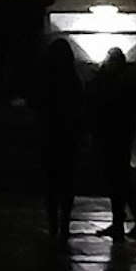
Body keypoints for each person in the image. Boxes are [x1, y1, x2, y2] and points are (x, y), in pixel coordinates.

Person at [85, 48, 136, 241]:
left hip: (114, 135)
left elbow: (100, 102)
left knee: (118, 179)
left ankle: (127, 221)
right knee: (119, 179)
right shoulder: (127, 81)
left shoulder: (115, 82)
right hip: (118, 134)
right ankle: (128, 220)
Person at [29, 31, 83, 244]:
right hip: (68, 136)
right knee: (67, 182)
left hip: (49, 134)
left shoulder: (44, 77)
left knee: (50, 183)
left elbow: (36, 101)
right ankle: (65, 223)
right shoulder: (72, 78)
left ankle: (53, 224)